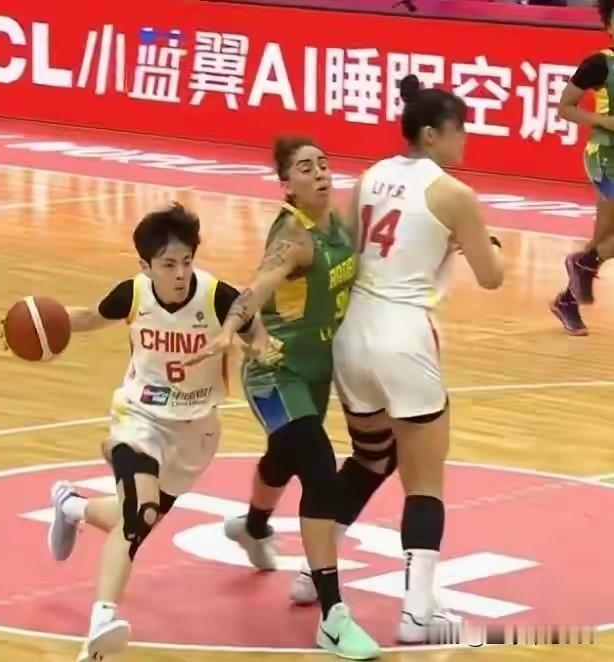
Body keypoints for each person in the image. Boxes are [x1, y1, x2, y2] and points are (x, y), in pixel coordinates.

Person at [287, 74, 503, 644]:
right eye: (459, 130)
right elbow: (491, 276)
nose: (464, 140)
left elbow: (347, 246)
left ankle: (311, 571)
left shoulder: (370, 176)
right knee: (424, 480)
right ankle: (417, 613)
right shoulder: (454, 194)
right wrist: (481, 243)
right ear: (431, 134)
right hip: (404, 333)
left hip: (352, 332)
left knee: (371, 457)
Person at [43, 202, 267, 661]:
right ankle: (100, 627)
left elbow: (253, 324)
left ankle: (71, 506)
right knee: (139, 514)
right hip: (139, 417)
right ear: (145, 266)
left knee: (135, 519)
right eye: (168, 264)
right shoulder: (133, 294)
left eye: (186, 261)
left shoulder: (216, 296)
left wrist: (259, 345)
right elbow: (88, 317)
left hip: (196, 433)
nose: (180, 273)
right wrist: (41, 321)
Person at [187, 137, 381, 660]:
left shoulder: (339, 224)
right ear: (286, 184)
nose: (319, 173)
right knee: (319, 469)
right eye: (305, 168)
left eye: (323, 163)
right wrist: (230, 328)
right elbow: (255, 288)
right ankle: (333, 617)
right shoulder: (294, 237)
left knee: (285, 456)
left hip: (316, 375)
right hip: (274, 375)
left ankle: (252, 527)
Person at [551, 0, 614, 335]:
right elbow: (565, 107)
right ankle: (577, 279)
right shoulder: (599, 64)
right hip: (606, 156)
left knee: (601, 242)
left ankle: (568, 298)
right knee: (603, 240)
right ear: (609, 26)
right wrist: (602, 120)